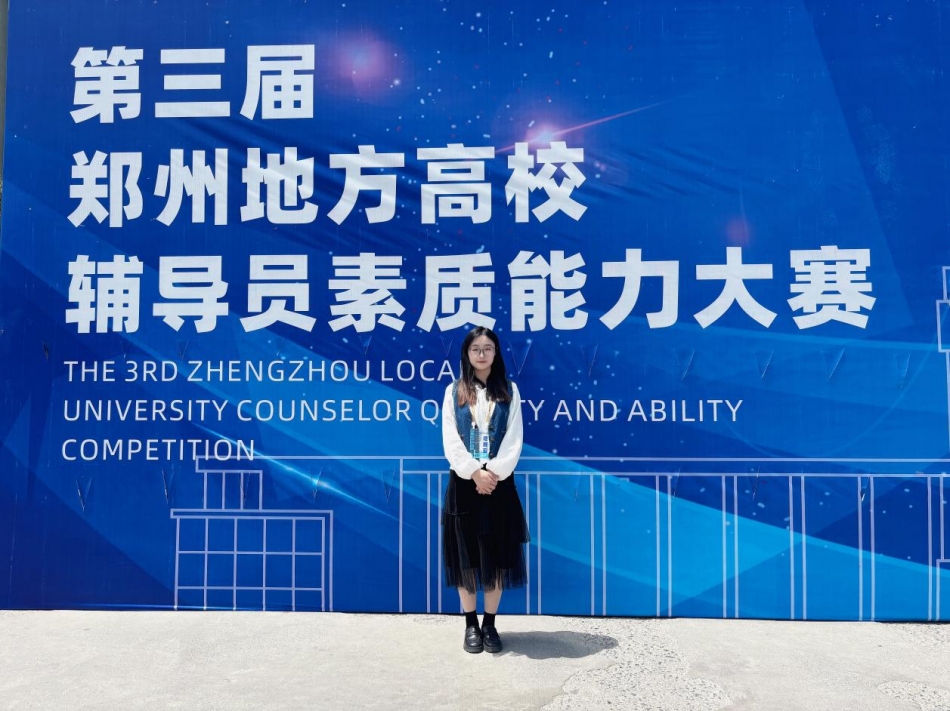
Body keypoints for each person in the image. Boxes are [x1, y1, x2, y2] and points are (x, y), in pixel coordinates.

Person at [441, 326, 530, 654]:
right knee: (465, 558)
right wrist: (473, 472)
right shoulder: (453, 391)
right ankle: (470, 625)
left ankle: (490, 624)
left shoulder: (509, 390)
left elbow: (514, 438)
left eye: (487, 348)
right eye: (475, 348)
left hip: (498, 485)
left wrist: (492, 473)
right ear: (466, 354)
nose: (481, 354)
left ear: (496, 353)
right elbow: (450, 438)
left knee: (497, 556)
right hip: (464, 485)